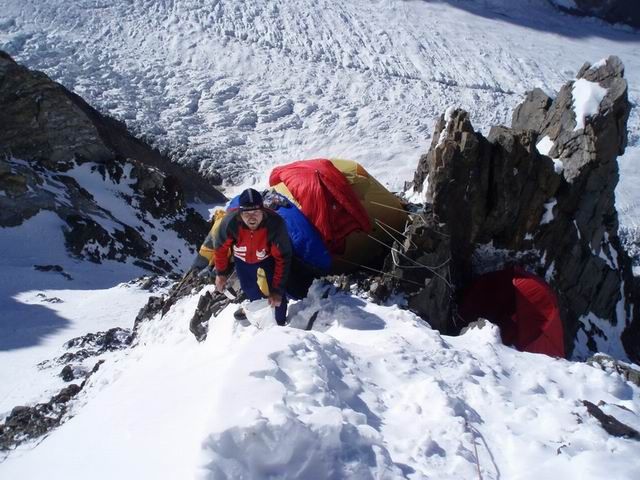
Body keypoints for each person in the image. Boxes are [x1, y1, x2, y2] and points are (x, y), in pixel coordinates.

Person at [212, 188, 292, 325]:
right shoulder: (230, 223)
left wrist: (277, 290)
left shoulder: (274, 225)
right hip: (242, 261)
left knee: (277, 295)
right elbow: (220, 248)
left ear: (263, 211)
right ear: (240, 214)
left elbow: (282, 258)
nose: (251, 217)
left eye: (255, 212)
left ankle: (280, 324)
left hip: (267, 258)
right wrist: (221, 273)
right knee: (250, 289)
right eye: (246, 213)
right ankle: (260, 317)